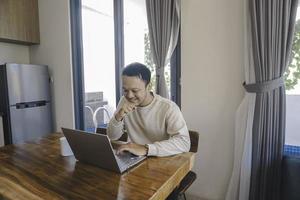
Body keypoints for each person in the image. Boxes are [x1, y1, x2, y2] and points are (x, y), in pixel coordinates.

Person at [107, 62, 190, 157]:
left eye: (135, 90)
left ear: (148, 87)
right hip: (134, 159)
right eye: (125, 90)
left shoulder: (168, 107)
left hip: (160, 159)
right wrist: (118, 117)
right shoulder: (124, 101)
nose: (129, 95)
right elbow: (112, 136)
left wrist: (147, 149)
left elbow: (184, 142)